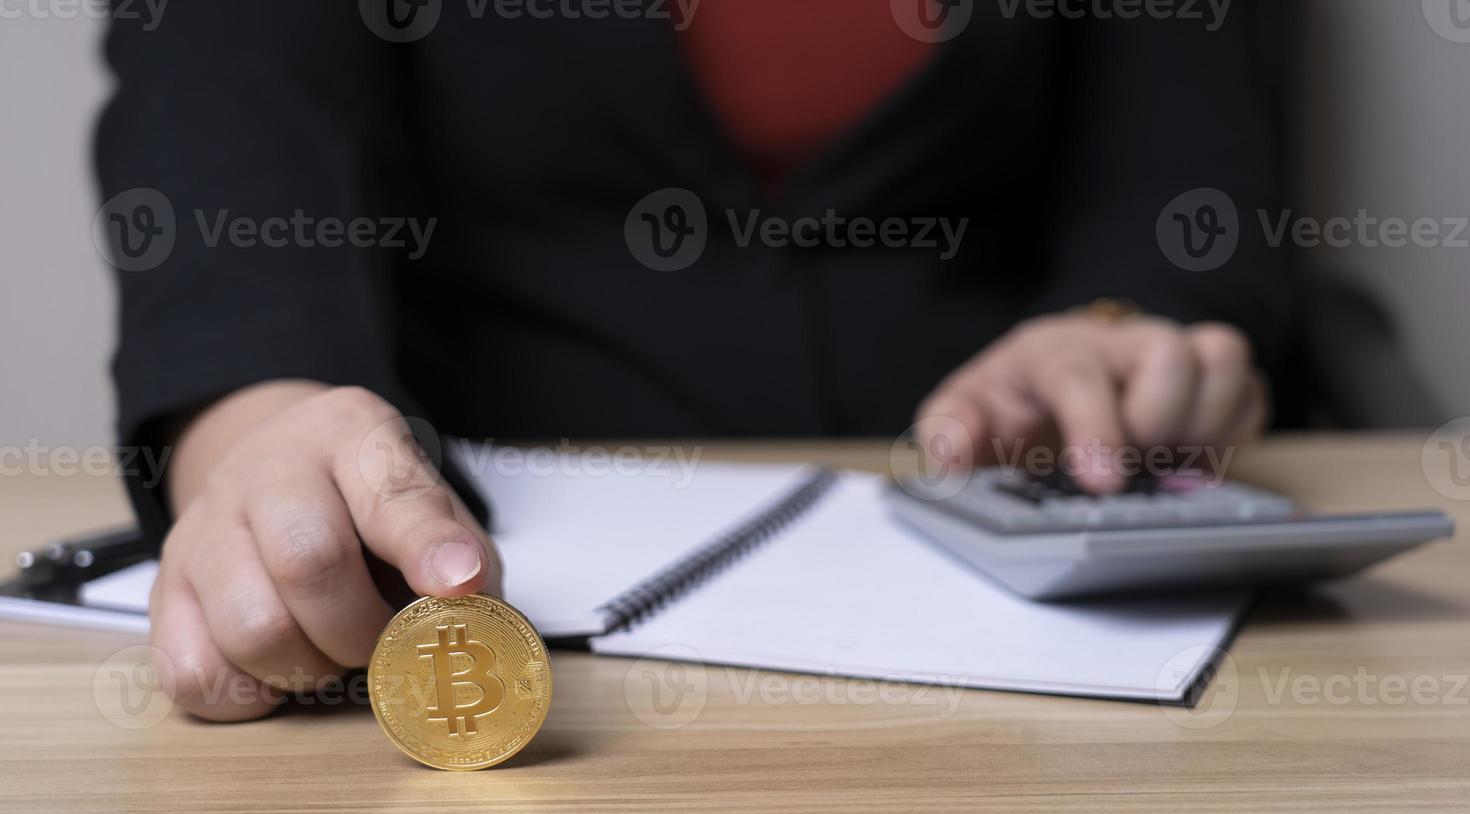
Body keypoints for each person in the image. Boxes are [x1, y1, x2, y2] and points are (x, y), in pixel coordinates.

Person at [95, 0, 1290, 720]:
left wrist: (1126, 325)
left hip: (1018, 586)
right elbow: (224, 134)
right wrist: (257, 421)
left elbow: (1191, 175)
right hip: (515, 528)